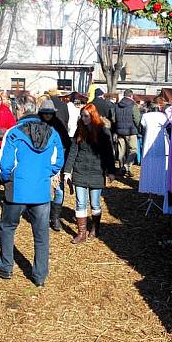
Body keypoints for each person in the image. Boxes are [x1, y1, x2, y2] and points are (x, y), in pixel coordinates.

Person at [0, 98, 64, 287]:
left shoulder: (13, 133)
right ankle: (40, 275)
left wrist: (6, 177)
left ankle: (6, 266)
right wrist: (46, 173)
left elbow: (4, 163)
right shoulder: (52, 132)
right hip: (41, 191)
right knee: (41, 234)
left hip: (17, 189)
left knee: (8, 227)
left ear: (20, 110)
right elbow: (58, 160)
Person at [63, 104, 116, 244]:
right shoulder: (79, 131)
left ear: (93, 115)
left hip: (96, 171)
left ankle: (95, 227)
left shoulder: (103, 131)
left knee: (95, 203)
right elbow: (73, 151)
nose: (83, 118)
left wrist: (111, 171)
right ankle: (81, 233)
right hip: (80, 171)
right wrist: (67, 171)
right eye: (82, 115)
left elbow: (108, 153)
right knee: (80, 203)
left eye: (86, 115)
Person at [38, 99, 71, 232]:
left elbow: (67, 144)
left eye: (50, 113)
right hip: (41, 164)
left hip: (58, 163)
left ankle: (55, 217)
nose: (47, 115)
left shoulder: (58, 125)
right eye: (45, 113)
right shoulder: (37, 125)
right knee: (44, 191)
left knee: (59, 191)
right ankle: (43, 217)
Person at [113, 89, 141, 175]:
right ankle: (127, 166)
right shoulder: (133, 105)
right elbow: (137, 119)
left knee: (121, 151)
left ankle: (122, 169)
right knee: (133, 150)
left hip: (119, 131)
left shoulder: (117, 105)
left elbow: (113, 119)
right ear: (131, 96)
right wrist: (138, 129)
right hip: (131, 131)